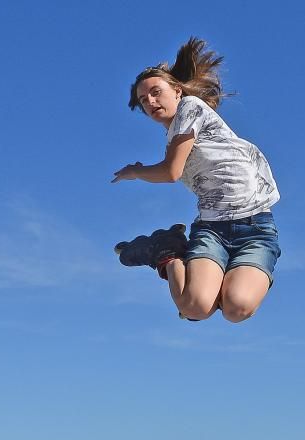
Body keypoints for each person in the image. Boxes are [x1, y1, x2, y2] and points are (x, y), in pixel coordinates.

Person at [112, 37, 281, 323]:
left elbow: (170, 172)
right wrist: (144, 171)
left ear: (177, 90)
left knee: (236, 308)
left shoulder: (191, 107)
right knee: (194, 308)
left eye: (155, 92)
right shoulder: (173, 141)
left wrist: (136, 171)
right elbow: (170, 170)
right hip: (213, 229)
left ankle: (228, 276)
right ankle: (166, 251)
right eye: (143, 100)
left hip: (255, 229)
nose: (150, 102)